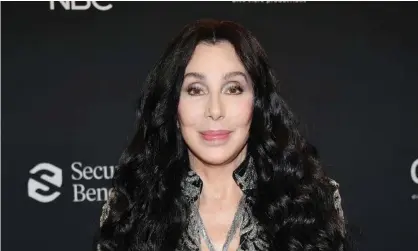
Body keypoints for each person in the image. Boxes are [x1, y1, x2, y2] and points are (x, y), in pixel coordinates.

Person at [96, 19, 350, 251]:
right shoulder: (132, 206)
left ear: (258, 101)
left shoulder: (309, 202)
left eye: (233, 88)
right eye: (195, 90)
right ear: (173, 104)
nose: (215, 110)